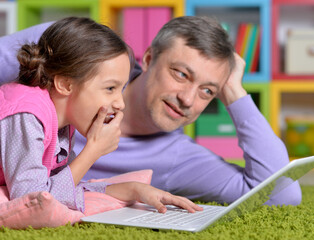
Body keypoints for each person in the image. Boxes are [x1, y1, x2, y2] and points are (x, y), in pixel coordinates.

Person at [0, 16, 301, 206]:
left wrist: (234, 90)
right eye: (181, 74)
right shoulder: (71, 52)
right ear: (148, 58)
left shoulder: (179, 158)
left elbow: (281, 193)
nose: (187, 99)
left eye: (208, 91)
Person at [0, 17, 202, 214]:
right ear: (65, 84)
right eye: (110, 88)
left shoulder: (62, 121)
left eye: (121, 88)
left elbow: (61, 186)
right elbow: (32, 200)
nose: (120, 103)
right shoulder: (27, 113)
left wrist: (133, 190)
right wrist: (92, 151)